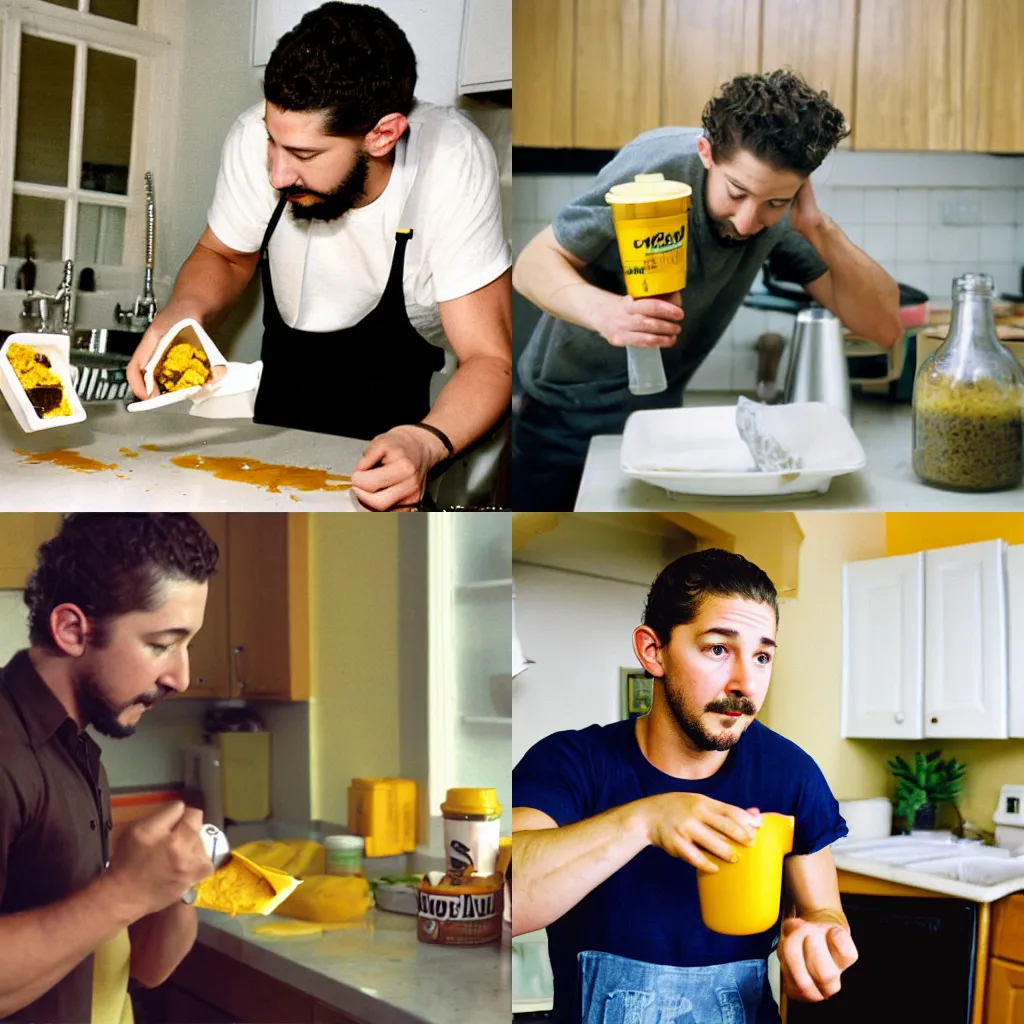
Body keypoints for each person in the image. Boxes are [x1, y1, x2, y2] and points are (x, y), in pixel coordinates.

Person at [128, 2, 512, 511]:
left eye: (305, 157)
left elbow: (489, 359)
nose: (277, 175)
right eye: (272, 140)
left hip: (394, 439)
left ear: (383, 134)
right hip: (273, 426)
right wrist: (182, 314)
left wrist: (423, 443)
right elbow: (222, 255)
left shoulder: (451, 160)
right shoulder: (261, 136)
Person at [512, 70, 903, 511]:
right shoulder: (656, 165)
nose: (746, 221)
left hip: (659, 419)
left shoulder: (784, 212)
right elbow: (531, 264)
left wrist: (817, 225)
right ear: (707, 154)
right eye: (736, 192)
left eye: (775, 202)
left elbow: (884, 327)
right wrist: (607, 313)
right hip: (559, 415)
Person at [512, 548, 857, 1022]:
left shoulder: (791, 773)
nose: (745, 683)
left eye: (761, 656)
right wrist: (646, 819)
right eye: (718, 649)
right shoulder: (570, 763)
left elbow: (825, 912)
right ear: (653, 651)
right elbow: (498, 904)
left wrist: (819, 939)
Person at [0, 514, 221, 1022]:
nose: (182, 676)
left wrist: (175, 880)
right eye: (161, 644)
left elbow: (145, 969)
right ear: (73, 629)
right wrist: (127, 891)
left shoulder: (76, 747)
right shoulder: (9, 754)